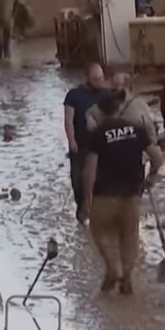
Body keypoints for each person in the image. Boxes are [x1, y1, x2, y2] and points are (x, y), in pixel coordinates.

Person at [83, 90, 163, 294]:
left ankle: (113, 268)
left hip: (104, 196)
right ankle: (126, 275)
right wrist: (152, 177)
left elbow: (90, 170)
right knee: (129, 235)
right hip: (131, 195)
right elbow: (158, 158)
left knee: (100, 232)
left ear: (101, 113)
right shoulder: (138, 130)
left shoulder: (98, 134)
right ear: (120, 109)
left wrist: (86, 200)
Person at [64, 63, 109, 221]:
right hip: (80, 145)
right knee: (77, 181)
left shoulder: (106, 94)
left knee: (99, 181)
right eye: (96, 79)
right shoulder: (74, 95)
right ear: (87, 77)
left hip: (101, 147)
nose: (99, 82)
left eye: (102, 79)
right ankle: (81, 211)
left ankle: (94, 213)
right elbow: (68, 120)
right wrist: (71, 141)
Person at [86, 71, 157, 144]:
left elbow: (150, 130)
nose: (113, 88)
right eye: (112, 84)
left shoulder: (140, 105)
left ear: (127, 86)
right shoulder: (106, 104)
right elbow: (90, 113)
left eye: (117, 85)